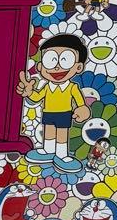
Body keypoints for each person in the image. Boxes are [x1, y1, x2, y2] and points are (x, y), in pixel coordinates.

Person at [16, 33, 91, 171]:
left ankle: (62, 156)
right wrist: (29, 92)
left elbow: (80, 103)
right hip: (48, 112)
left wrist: (82, 109)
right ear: (40, 67)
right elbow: (37, 97)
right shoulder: (47, 87)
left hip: (64, 113)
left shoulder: (72, 87)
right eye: (50, 60)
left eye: (65, 60)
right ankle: (48, 151)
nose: (57, 67)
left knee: (62, 134)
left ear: (79, 67)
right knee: (49, 132)